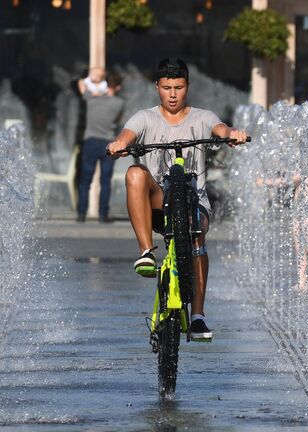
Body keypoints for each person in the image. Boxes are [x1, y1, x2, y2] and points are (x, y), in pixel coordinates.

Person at [106, 58, 248, 341]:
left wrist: (232, 134)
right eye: (167, 87)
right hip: (160, 202)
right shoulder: (145, 117)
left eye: (179, 87)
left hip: (194, 203)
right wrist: (120, 143)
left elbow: (220, 128)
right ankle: (147, 252)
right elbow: (128, 133)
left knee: (198, 239)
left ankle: (198, 316)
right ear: (157, 87)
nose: (173, 94)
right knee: (135, 173)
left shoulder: (202, 117)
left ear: (187, 87)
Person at [76, 71, 125, 222]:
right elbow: (117, 120)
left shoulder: (91, 98)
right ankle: (103, 215)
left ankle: (81, 214)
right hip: (108, 143)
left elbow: (80, 83)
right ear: (118, 87)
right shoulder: (119, 103)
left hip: (90, 141)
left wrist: (93, 79)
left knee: (85, 180)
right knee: (105, 181)